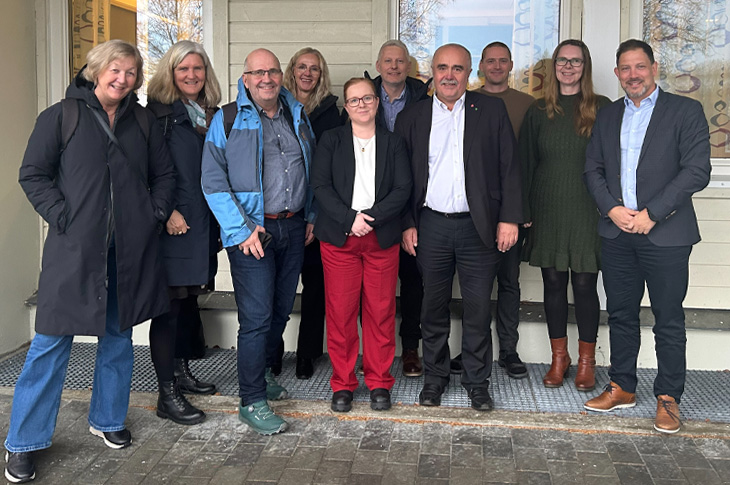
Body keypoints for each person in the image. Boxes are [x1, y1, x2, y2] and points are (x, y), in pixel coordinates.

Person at [6, 39, 175, 483]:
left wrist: (153, 213)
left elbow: (164, 175)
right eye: (115, 70)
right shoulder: (61, 116)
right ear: (95, 70)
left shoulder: (142, 121)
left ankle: (108, 418)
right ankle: (23, 442)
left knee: (118, 338)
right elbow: (33, 174)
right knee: (50, 344)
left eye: (131, 72)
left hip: (128, 253)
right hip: (74, 252)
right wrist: (63, 216)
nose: (123, 79)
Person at [583, 39, 711, 434]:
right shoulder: (608, 115)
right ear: (617, 73)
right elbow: (593, 169)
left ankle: (668, 397)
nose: (633, 74)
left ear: (654, 68)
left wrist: (652, 214)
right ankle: (622, 386)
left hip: (666, 234)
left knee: (668, 319)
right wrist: (612, 209)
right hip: (617, 232)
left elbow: (696, 171)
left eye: (640, 66)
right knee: (620, 314)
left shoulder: (685, 111)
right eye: (625, 68)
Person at [395, 44, 522, 411]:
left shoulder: (491, 110)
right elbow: (402, 179)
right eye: (442, 68)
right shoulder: (412, 116)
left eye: (457, 68)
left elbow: (510, 166)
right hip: (431, 226)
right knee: (432, 308)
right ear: (431, 73)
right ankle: (434, 379)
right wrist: (406, 223)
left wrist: (509, 218)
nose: (449, 75)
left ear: (470, 73)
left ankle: (476, 381)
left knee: (478, 310)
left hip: (478, 227)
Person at [201, 48, 315, 435]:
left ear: (281, 76)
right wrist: (242, 230)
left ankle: (263, 374)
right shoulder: (228, 119)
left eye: (273, 71)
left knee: (280, 311)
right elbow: (213, 181)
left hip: (292, 227)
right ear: (246, 79)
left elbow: (311, 167)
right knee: (256, 318)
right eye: (258, 72)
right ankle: (251, 400)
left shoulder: (296, 114)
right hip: (252, 232)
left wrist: (311, 215)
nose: (267, 78)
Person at [311, 77, 412, 412]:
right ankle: (343, 383)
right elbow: (320, 185)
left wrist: (370, 218)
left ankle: (379, 381)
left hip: (380, 239)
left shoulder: (393, 142)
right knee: (340, 314)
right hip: (340, 240)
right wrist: (349, 219)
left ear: (377, 102)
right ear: (346, 106)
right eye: (354, 100)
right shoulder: (331, 140)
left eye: (367, 98)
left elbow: (403, 188)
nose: (362, 105)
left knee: (381, 313)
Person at [519, 39, 610, 392]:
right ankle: (560, 358)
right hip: (547, 206)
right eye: (562, 60)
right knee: (554, 282)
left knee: (585, 283)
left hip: (587, 207)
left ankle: (587, 361)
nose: (568, 67)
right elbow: (526, 163)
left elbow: (614, 162)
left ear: (585, 67)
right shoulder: (539, 110)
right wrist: (523, 210)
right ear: (553, 66)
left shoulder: (601, 108)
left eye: (575, 61)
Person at [146, 40, 222, 425]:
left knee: (188, 302)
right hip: (174, 226)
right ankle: (166, 393)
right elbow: (144, 171)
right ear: (170, 73)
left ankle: (180, 371)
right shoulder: (156, 116)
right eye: (183, 69)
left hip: (203, 226)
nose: (192, 75)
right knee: (169, 308)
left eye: (198, 68)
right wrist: (167, 212)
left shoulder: (210, 114)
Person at [451, 41, 535, 378]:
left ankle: (509, 350)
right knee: (476, 287)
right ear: (481, 66)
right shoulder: (467, 102)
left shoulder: (528, 105)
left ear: (511, 65)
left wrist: (520, 210)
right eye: (491, 61)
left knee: (509, 282)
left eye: (503, 61)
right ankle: (473, 349)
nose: (497, 66)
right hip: (475, 212)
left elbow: (526, 163)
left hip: (511, 211)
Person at [369, 40, 431, 377]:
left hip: (413, 200)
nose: (394, 66)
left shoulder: (424, 100)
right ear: (379, 65)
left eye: (400, 61)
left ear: (409, 67)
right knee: (371, 285)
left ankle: (410, 348)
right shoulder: (365, 97)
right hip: (372, 202)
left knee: (412, 280)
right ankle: (372, 351)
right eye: (388, 61)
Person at [282, 47, 342, 379]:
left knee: (315, 287)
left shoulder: (331, 113)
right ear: (292, 70)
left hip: (318, 213)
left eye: (314, 68)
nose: (307, 73)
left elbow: (331, 170)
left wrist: (316, 215)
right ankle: (272, 353)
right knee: (278, 287)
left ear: (321, 74)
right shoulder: (275, 106)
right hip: (283, 211)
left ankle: (307, 353)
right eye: (302, 67)